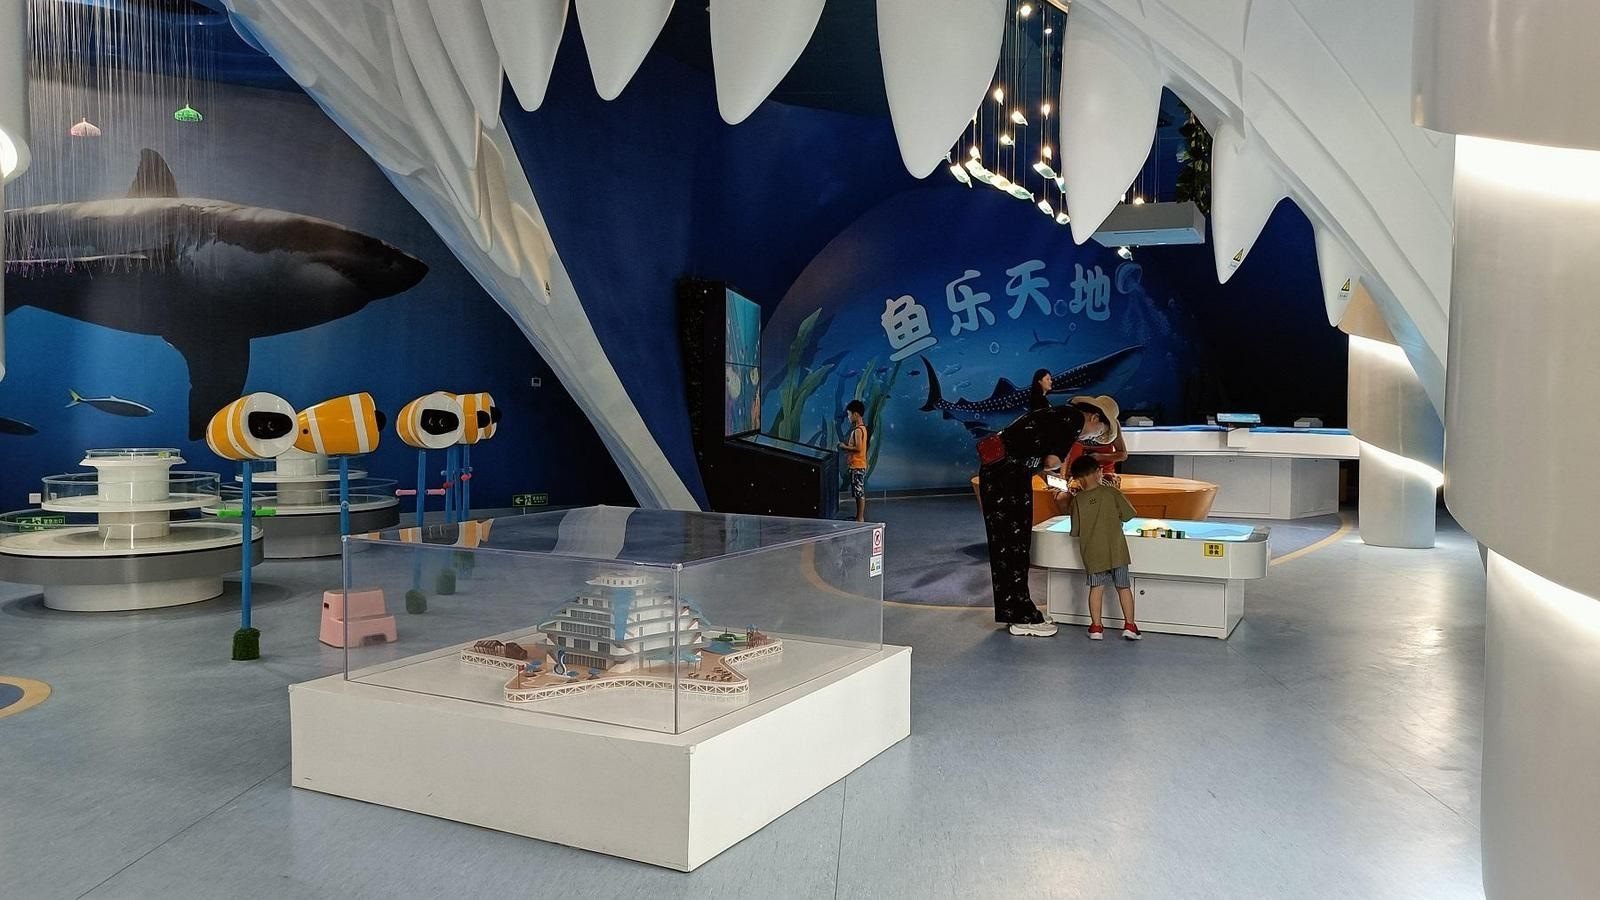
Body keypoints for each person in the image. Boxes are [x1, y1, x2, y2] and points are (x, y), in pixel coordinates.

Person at [977, 403, 1087, 636]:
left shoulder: (1054, 414)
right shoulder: (1074, 419)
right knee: (1014, 547)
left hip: (1000, 475)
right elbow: (1052, 461)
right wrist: (1056, 464)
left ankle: (1014, 609)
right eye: (1099, 432)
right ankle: (1021, 614)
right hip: (1009, 480)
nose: (1091, 437)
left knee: (1006, 547)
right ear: (1096, 418)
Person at [1067, 455, 1141, 640]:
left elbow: (1075, 530)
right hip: (1116, 550)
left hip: (1093, 553)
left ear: (1077, 478)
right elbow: (1129, 514)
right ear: (1098, 472)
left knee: (1096, 588)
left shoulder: (1077, 500)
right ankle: (1130, 626)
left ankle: (1096, 628)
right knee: (1123, 587)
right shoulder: (1111, 493)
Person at [1070, 394, 1127, 487]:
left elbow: (1123, 455)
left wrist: (1100, 457)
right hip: (1079, 472)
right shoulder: (1078, 425)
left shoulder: (1112, 429)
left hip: (1104, 473)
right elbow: (1067, 453)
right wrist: (1064, 476)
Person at [838, 399, 869, 522]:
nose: (848, 417)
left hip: (857, 465)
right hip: (857, 465)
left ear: (856, 414)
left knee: (859, 492)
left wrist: (844, 447)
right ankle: (858, 516)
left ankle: (860, 518)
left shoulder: (857, 431)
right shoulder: (862, 429)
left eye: (849, 414)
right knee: (857, 492)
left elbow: (858, 448)